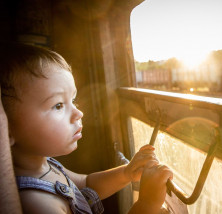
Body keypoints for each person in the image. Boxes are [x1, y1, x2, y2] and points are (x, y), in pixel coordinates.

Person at [0, 42, 173, 214]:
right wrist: (147, 204)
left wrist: (126, 173)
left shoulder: (47, 164)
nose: (79, 113)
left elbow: (87, 184)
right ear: (6, 130)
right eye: (58, 105)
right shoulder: (38, 204)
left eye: (73, 101)